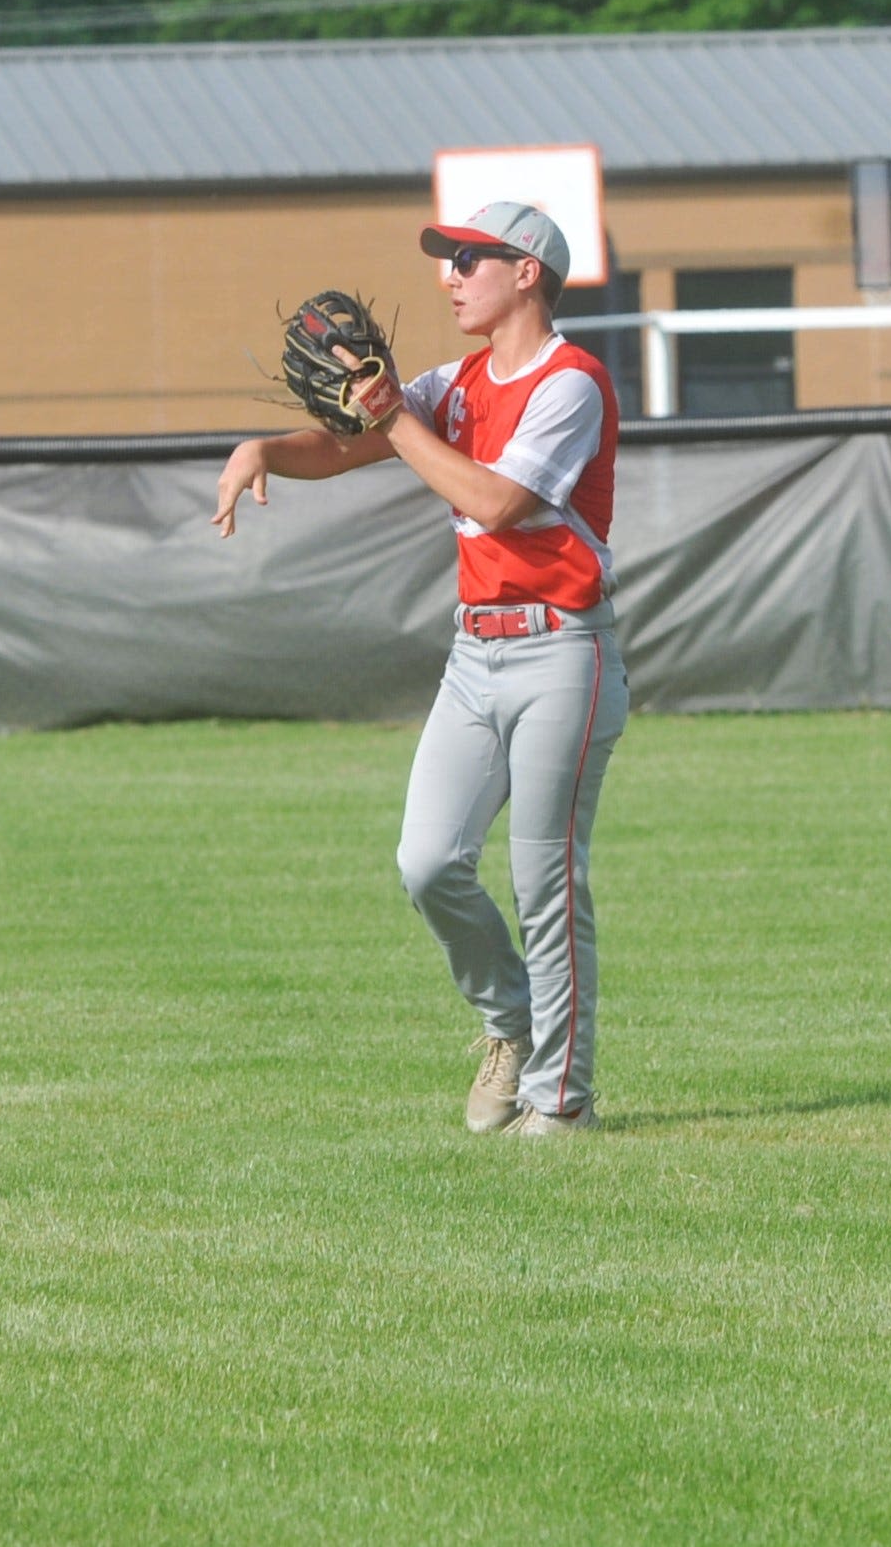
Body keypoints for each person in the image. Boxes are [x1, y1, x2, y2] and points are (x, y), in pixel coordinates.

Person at [212, 201, 627, 1136]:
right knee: (427, 860)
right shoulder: (457, 381)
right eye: (445, 257)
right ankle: (508, 1023)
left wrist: (394, 412)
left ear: (527, 273)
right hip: (474, 655)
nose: (449, 273)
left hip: (564, 652)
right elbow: (350, 444)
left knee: (543, 882)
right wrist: (263, 447)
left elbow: (498, 500)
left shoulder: (571, 383)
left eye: (469, 258)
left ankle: (560, 1102)